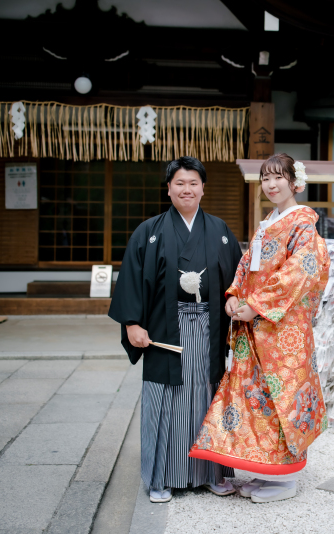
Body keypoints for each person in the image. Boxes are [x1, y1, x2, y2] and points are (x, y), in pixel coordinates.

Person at [189, 153, 330, 503]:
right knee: (258, 398)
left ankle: (287, 478)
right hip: (255, 325)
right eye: (265, 178)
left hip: (281, 330)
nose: (270, 184)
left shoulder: (302, 224)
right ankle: (268, 471)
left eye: (278, 177)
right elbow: (245, 265)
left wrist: (256, 305)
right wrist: (235, 295)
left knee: (282, 398)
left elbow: (302, 270)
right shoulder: (269, 222)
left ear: (294, 182)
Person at [108, 156, 243, 502]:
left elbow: (236, 281)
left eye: (193, 183)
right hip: (164, 332)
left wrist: (235, 301)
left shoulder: (220, 232)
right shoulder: (148, 233)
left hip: (210, 329)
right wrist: (132, 323)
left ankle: (213, 473)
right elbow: (133, 282)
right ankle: (160, 478)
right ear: (168, 188)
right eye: (180, 183)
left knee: (208, 397)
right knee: (164, 401)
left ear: (203, 189)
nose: (187, 189)